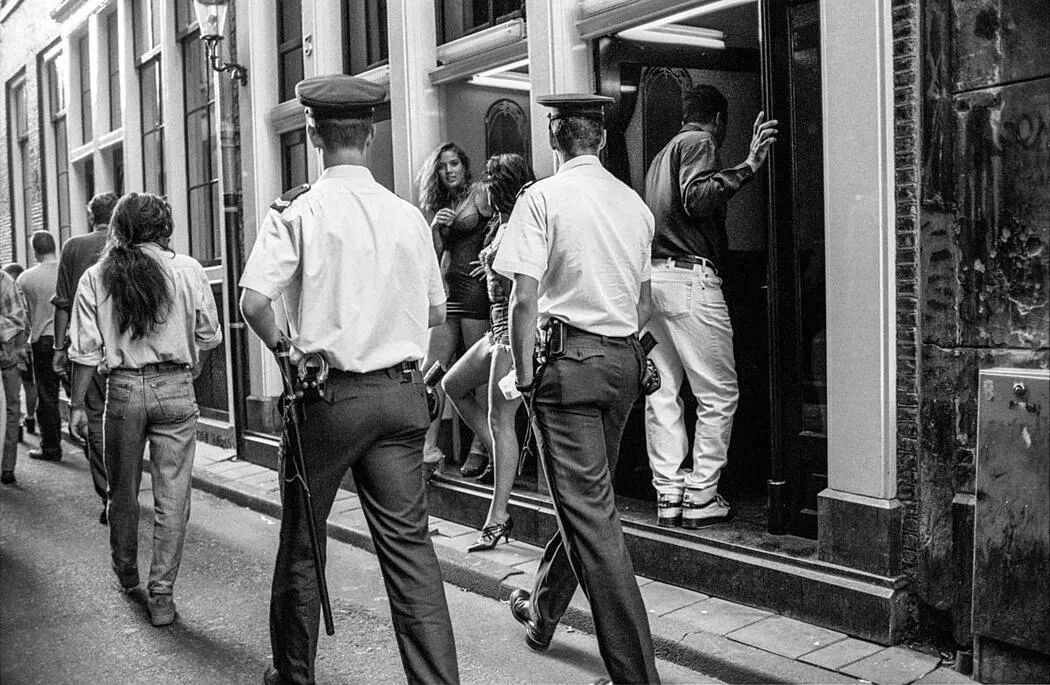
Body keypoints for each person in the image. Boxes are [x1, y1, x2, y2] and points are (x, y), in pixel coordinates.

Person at [240, 74, 459, 685]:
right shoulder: (408, 216)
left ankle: (294, 676)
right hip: (402, 396)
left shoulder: (298, 211)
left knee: (304, 543)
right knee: (412, 555)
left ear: (313, 134)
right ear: (370, 136)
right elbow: (437, 313)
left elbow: (254, 302)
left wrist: (287, 350)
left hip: (330, 400)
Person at [492, 93, 660, 684]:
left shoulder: (541, 198)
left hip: (567, 367)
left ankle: (638, 676)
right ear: (604, 139)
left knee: (592, 516)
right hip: (622, 366)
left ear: (554, 139)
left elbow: (523, 297)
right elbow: (644, 303)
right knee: (589, 503)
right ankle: (542, 613)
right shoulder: (634, 205)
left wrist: (524, 375)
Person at [68, 192, 222, 627]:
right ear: (164, 227)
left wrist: (77, 405)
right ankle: (162, 595)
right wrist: (191, 368)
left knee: (122, 489)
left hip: (122, 390)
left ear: (119, 229)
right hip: (175, 388)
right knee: (173, 497)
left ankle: (125, 569)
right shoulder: (188, 269)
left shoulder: (96, 276)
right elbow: (209, 336)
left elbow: (84, 350)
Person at [642, 85, 777, 528]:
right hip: (691, 280)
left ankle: (668, 492)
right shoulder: (700, 142)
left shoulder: (660, 157)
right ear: (718, 119)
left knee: (662, 392)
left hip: (655, 282)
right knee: (718, 393)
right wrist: (749, 165)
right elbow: (697, 197)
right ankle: (701, 495)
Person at [441, 153, 535, 552]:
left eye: (493, 184)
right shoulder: (500, 221)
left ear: (507, 186)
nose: (487, 191)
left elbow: (527, 291)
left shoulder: (526, 223)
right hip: (495, 328)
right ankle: (502, 456)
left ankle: (497, 518)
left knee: (500, 419)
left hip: (510, 334)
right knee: (453, 384)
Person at [417, 142, 494, 480]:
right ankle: (427, 447)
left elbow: (505, 221)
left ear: (464, 166)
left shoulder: (480, 194)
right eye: (442, 166)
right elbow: (434, 256)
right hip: (447, 294)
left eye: (453, 164)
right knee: (430, 371)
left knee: (477, 375)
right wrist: (435, 228)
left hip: (475, 294)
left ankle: (482, 447)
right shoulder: (440, 205)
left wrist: (490, 259)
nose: (448, 170)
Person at [52, 191, 120, 524]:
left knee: (95, 419)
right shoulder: (128, 243)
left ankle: (109, 494)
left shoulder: (73, 247)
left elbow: (63, 302)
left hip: (90, 350)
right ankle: (126, 490)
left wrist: (58, 348)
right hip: (125, 349)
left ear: (91, 215)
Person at [18, 232, 63, 462]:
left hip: (42, 341)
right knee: (82, 393)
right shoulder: (67, 270)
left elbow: (22, 315)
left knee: (47, 396)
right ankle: (91, 444)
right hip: (70, 338)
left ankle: (51, 448)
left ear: (35, 251)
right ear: (54, 246)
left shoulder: (25, 278)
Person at [0, 269, 27, 485]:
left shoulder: (4, 280)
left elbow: (16, 319)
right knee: (11, 408)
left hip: (5, 358)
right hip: (6, 355)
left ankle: (7, 467)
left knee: (11, 408)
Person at [3, 262, 36, 442]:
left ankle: (20, 425)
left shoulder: (8, 285)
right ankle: (29, 419)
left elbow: (18, 321)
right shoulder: (16, 287)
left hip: (13, 350)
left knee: (14, 395)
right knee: (27, 387)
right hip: (23, 347)